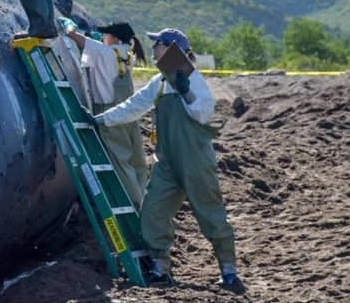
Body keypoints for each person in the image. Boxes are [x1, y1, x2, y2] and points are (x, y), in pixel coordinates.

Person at [94, 28, 244, 293]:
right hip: (167, 163)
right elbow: (134, 106)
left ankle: (229, 271)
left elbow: (203, 113)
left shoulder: (192, 79)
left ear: (171, 48)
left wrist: (186, 93)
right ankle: (160, 268)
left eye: (158, 44)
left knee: (210, 212)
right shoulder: (160, 82)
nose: (153, 49)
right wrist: (101, 120)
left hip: (195, 160)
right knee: (153, 212)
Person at [64, 21, 149, 207]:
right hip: (129, 112)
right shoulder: (127, 55)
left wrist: (69, 26)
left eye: (106, 35)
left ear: (115, 38)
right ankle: (146, 200)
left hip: (109, 114)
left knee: (120, 162)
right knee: (137, 161)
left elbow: (73, 36)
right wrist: (100, 42)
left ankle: (135, 205)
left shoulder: (103, 51)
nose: (103, 37)